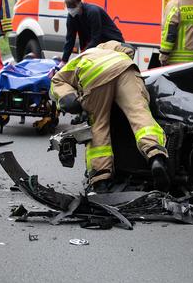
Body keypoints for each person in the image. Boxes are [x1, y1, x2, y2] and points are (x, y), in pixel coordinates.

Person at [50, 40, 170, 193]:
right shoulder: (106, 46)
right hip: (124, 68)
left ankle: (100, 179)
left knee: (98, 126)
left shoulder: (66, 70)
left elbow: (64, 96)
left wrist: (76, 102)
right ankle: (156, 156)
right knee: (140, 114)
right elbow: (129, 49)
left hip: (94, 75)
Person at [61, 0, 124, 64]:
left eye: (73, 6)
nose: (70, 9)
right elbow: (70, 39)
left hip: (112, 43)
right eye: (68, 7)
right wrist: (63, 61)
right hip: (97, 46)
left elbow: (96, 37)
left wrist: (83, 54)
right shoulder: (71, 17)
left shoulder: (92, 12)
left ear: (79, 3)